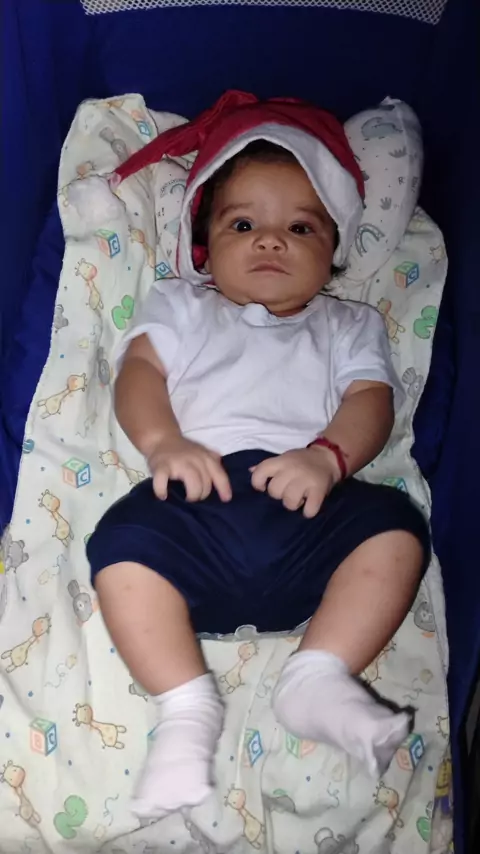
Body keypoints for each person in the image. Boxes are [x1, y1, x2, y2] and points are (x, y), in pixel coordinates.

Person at [86, 91, 430, 820]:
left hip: (307, 505)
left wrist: (329, 458)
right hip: (199, 502)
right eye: (244, 224)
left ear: (334, 247)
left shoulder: (347, 325)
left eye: (300, 227)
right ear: (205, 243)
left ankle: (318, 674)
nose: (271, 242)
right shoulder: (182, 305)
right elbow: (139, 375)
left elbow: (370, 401)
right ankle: (186, 709)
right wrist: (164, 442)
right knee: (120, 543)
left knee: (397, 529)